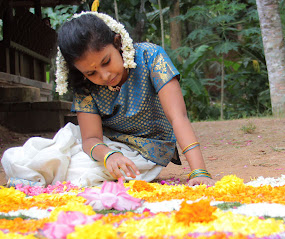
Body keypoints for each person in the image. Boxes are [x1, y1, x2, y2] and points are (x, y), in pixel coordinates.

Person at [2, 12, 214, 187]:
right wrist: (108, 155)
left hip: (145, 151)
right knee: (41, 152)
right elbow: (91, 139)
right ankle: (30, 178)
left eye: (106, 61)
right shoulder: (84, 85)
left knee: (81, 171)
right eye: (91, 73)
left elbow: (178, 117)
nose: (104, 76)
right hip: (105, 147)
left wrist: (199, 171)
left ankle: (36, 180)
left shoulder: (151, 57)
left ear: (117, 42)